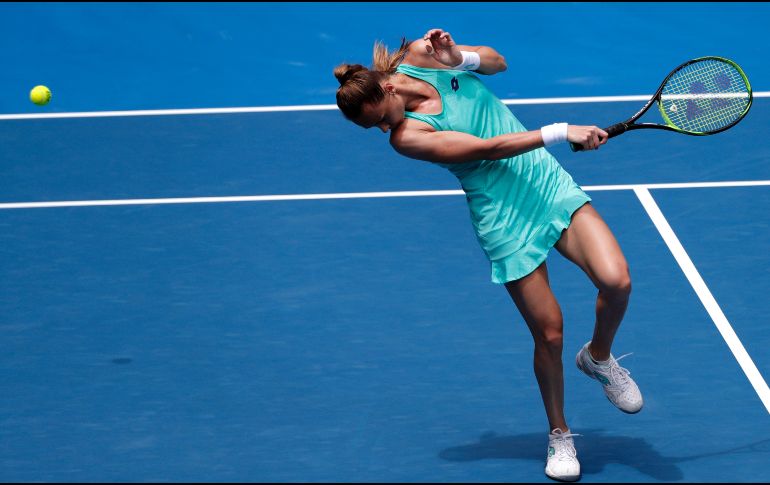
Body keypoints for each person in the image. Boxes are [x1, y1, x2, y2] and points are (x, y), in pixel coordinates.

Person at [334, 28, 643, 482]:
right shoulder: (407, 137)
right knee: (550, 335)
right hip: (502, 217)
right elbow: (488, 148)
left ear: (388, 87)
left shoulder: (423, 55)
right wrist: (561, 131)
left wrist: (458, 58)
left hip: (543, 182)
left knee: (617, 282)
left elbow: (499, 63)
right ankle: (559, 433)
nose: (383, 128)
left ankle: (598, 357)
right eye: (374, 128)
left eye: (381, 116)